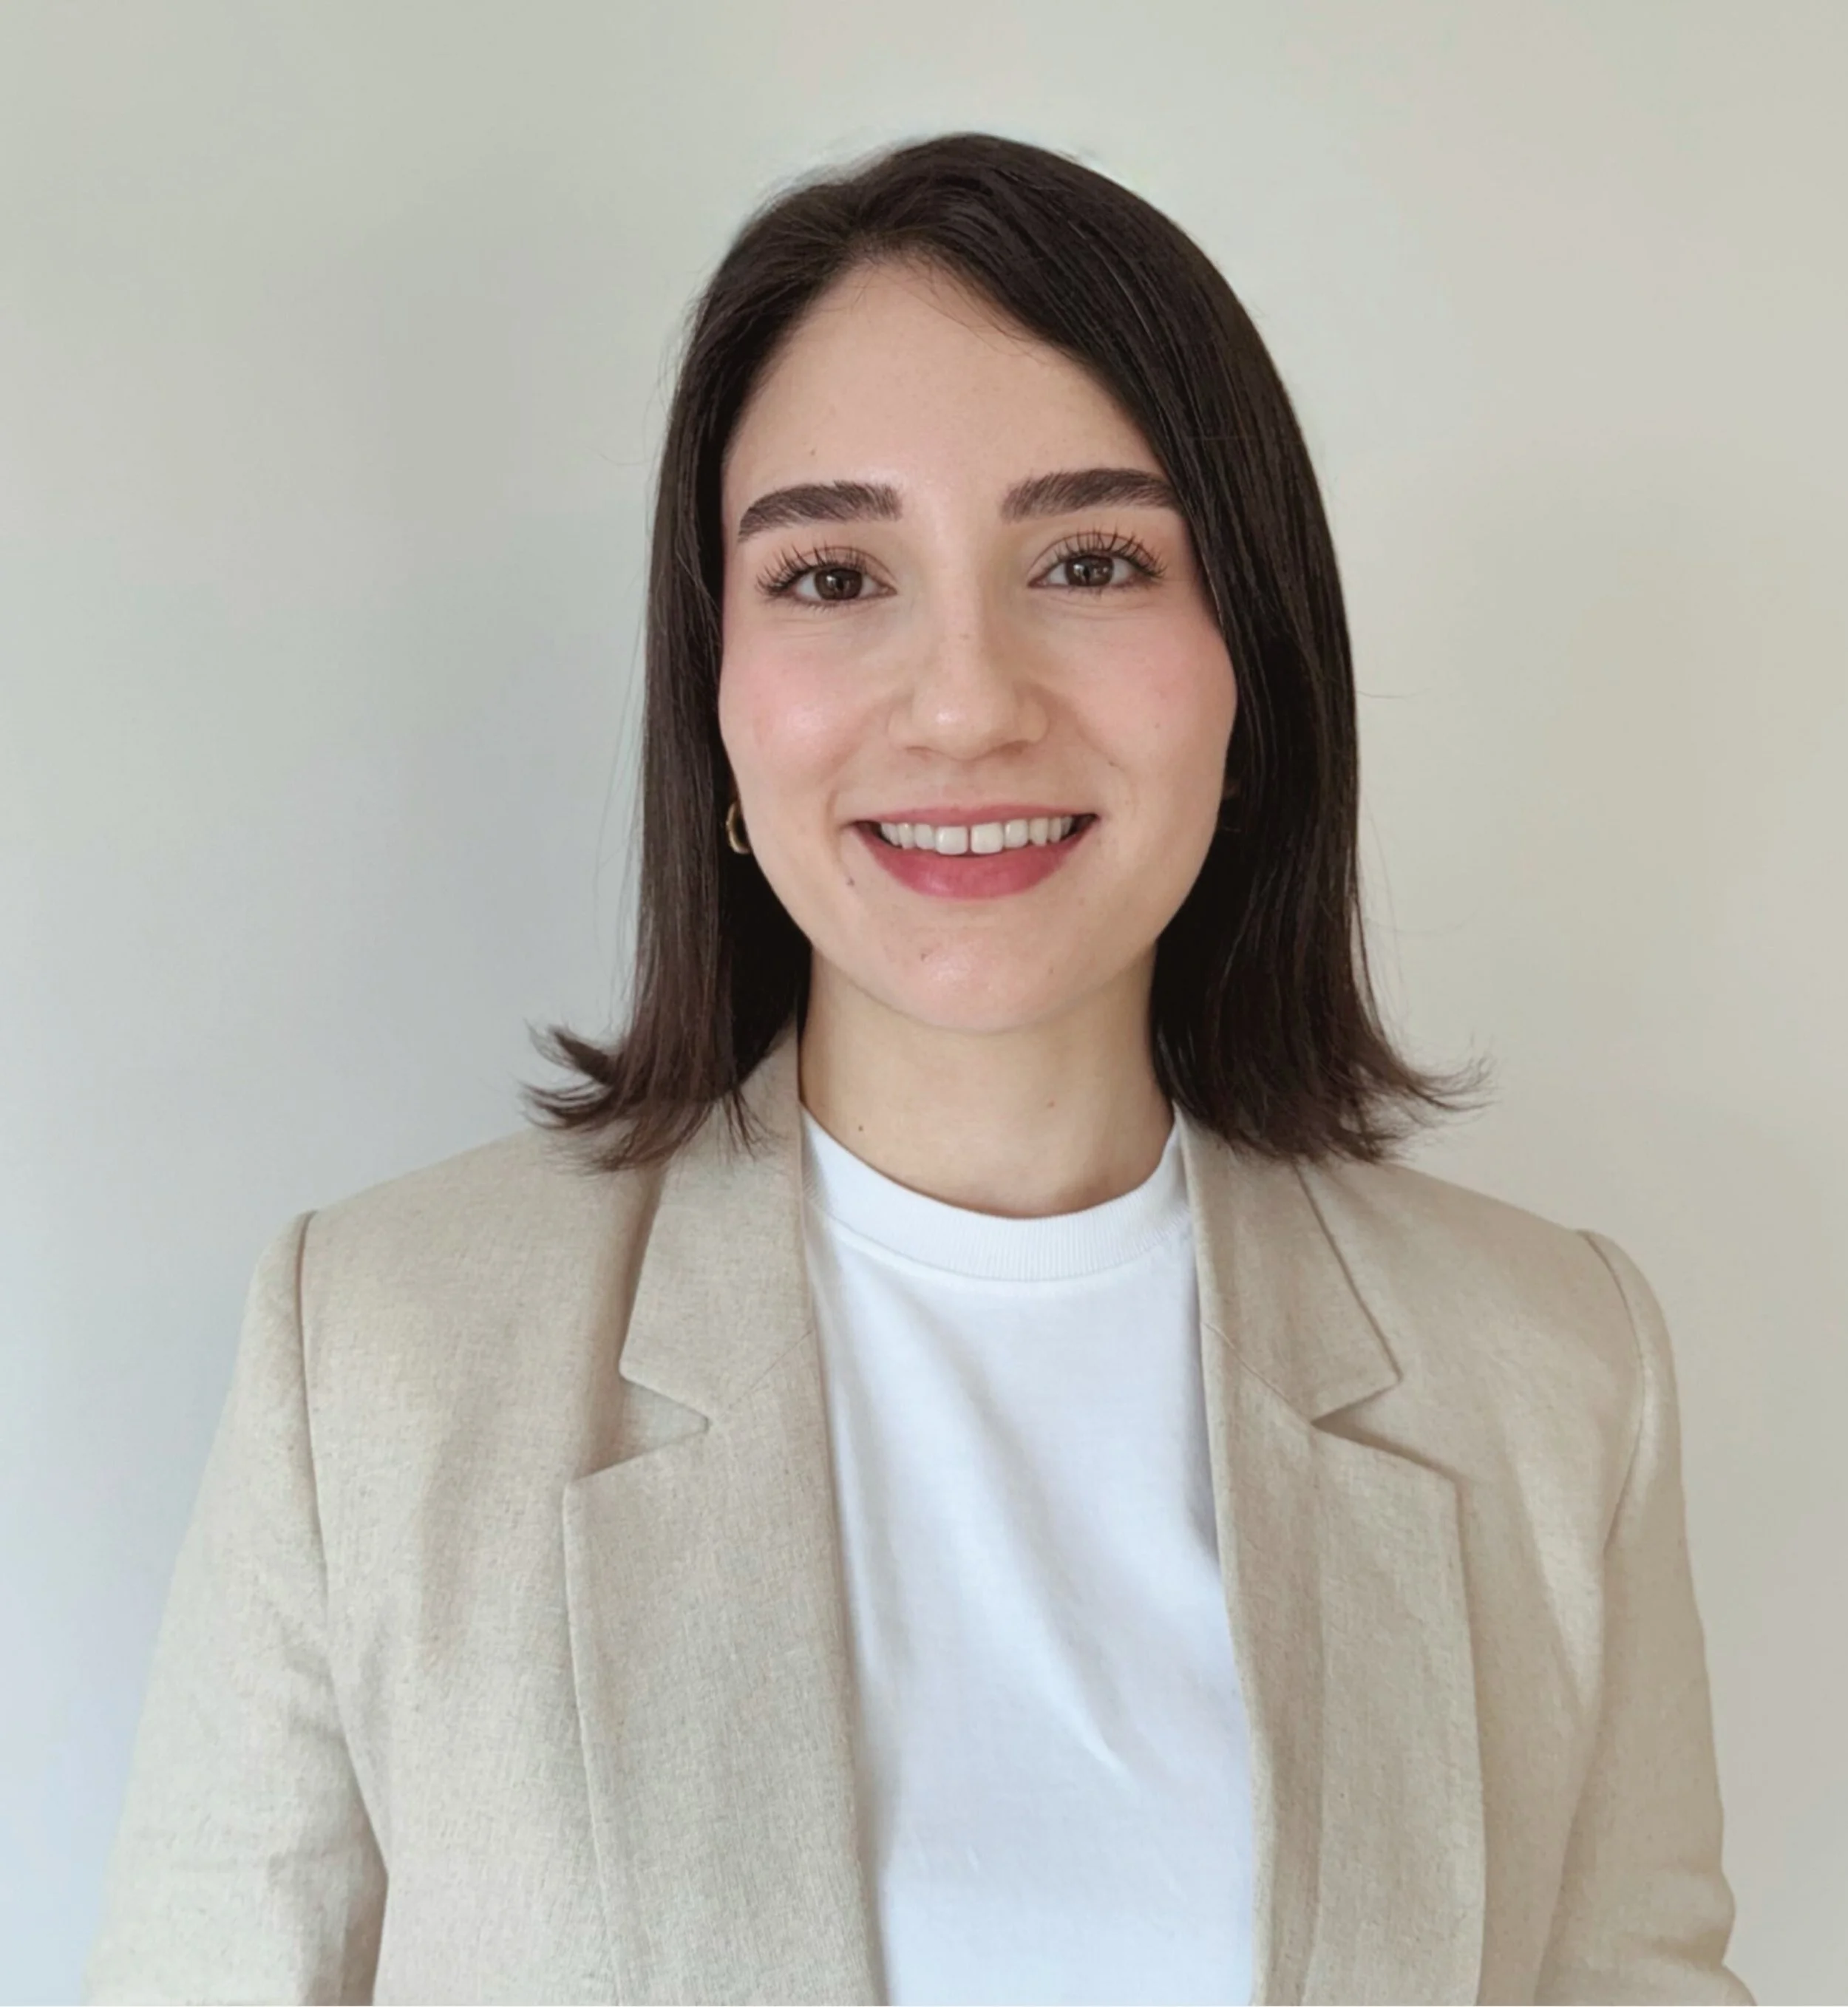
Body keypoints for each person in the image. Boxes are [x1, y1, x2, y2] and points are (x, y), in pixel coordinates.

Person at [85, 132, 1751, 2006]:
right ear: (711, 689)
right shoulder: (376, 1357)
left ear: (1249, 673)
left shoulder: (1549, 1372)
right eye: (830, 573)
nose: (964, 699)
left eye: (1091, 558)